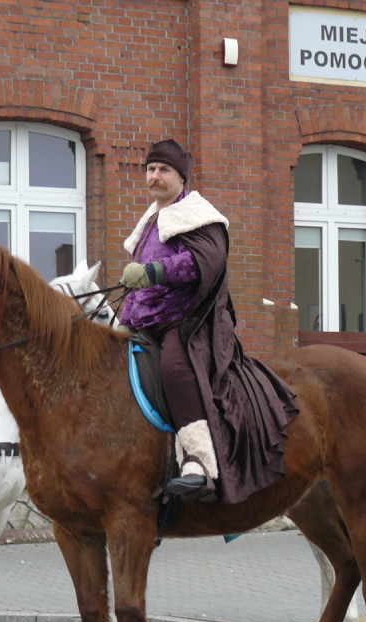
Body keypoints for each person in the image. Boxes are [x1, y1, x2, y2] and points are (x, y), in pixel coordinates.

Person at [118, 139, 299, 502]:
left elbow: (206, 262)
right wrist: (122, 320)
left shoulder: (200, 215)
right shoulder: (151, 221)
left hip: (187, 322)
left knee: (174, 368)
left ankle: (199, 463)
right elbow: (136, 289)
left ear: (180, 177)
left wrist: (153, 271)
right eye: (150, 169)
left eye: (163, 170)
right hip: (143, 324)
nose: (154, 176)